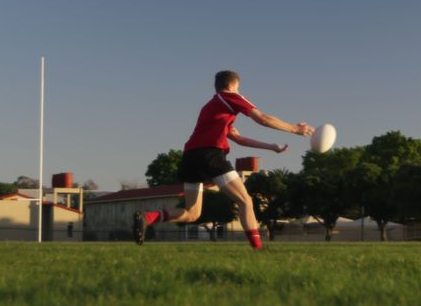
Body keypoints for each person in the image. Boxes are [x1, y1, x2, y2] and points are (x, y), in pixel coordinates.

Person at [133, 70, 313, 249]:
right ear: (233, 85)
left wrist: (272, 147)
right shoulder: (230, 97)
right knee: (245, 201)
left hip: (190, 156)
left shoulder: (214, 108)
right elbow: (263, 119)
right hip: (210, 154)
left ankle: (147, 218)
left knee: (192, 213)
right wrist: (295, 129)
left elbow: (239, 139)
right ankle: (258, 249)